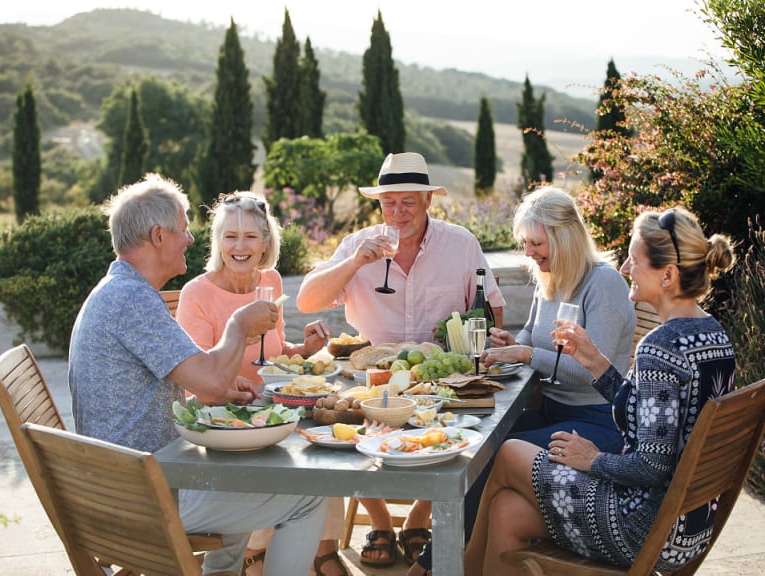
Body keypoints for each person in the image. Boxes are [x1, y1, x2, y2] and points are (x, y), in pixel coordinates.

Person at [68, 173, 327, 576]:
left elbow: (202, 378)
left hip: (130, 484)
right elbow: (207, 382)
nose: (191, 239)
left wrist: (224, 384)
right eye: (185, 230)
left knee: (248, 481)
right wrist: (239, 325)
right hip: (143, 498)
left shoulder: (122, 292)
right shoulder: (131, 301)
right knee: (309, 498)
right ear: (158, 235)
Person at [464, 206, 736, 575]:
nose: (625, 270)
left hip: (641, 525)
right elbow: (651, 419)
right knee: (507, 511)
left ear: (668, 275)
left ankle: (452, 568)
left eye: (634, 260)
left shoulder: (660, 346)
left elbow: (650, 467)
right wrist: (596, 363)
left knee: (509, 451)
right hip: (687, 529)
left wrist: (592, 460)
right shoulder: (713, 335)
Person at [409, 186, 636, 576]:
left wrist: (527, 354)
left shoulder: (604, 283)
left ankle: (437, 565)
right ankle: (452, 562)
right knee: (475, 444)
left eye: (535, 242)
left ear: (565, 236)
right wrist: (512, 343)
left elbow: (588, 370)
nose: (528, 253)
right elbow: (531, 335)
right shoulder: (551, 279)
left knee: (492, 455)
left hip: (596, 424)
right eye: (524, 243)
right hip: (553, 412)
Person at [298, 152, 505, 567]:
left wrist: (461, 334)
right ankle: (379, 520)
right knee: (344, 427)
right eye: (388, 202)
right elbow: (306, 300)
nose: (397, 213)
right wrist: (357, 261)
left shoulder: (460, 244)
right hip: (369, 377)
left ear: (428, 201)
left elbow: (493, 312)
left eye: (408, 202)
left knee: (466, 431)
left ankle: (418, 516)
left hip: (438, 379)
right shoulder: (359, 245)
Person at [175, 191, 346, 576]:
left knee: (326, 443)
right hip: (224, 421)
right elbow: (197, 382)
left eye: (251, 236)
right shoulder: (196, 294)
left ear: (266, 241)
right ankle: (261, 553)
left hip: (274, 409)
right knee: (303, 452)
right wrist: (239, 342)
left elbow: (277, 350)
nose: (240, 246)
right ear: (218, 241)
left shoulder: (268, 280)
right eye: (230, 236)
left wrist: (305, 349)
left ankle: (317, 549)